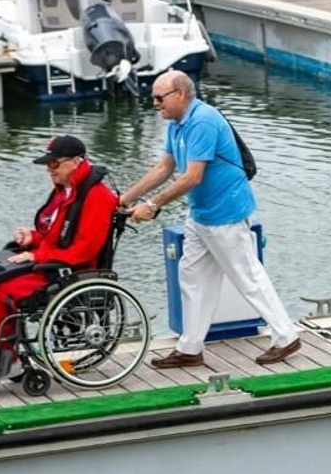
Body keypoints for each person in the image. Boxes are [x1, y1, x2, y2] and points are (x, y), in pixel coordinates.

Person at [120, 70, 301, 367]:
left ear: (180, 94)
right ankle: (190, 348)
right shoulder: (177, 123)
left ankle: (286, 337)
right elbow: (164, 167)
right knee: (191, 276)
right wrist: (126, 198)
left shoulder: (202, 120)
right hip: (201, 213)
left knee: (248, 277)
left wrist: (152, 205)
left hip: (225, 212)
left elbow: (193, 176)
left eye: (159, 97)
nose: (154, 104)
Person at [0, 135, 119, 384]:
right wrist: (31, 238)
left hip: (70, 272)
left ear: (76, 162)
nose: (49, 170)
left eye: (54, 164)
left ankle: (3, 363)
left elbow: (84, 251)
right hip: (51, 263)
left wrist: (37, 254)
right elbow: (53, 235)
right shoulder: (66, 191)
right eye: (48, 165)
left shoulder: (97, 196)